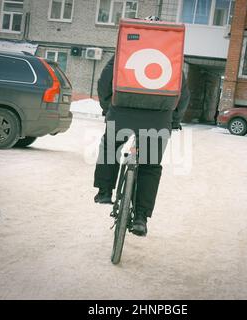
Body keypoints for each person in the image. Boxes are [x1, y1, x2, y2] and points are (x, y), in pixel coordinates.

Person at [93, 16, 190, 237]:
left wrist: (107, 107)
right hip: (158, 120)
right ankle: (140, 218)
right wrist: (174, 121)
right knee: (150, 166)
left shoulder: (124, 52)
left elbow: (104, 81)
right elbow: (182, 94)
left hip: (122, 113)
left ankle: (105, 190)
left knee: (110, 147)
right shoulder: (171, 58)